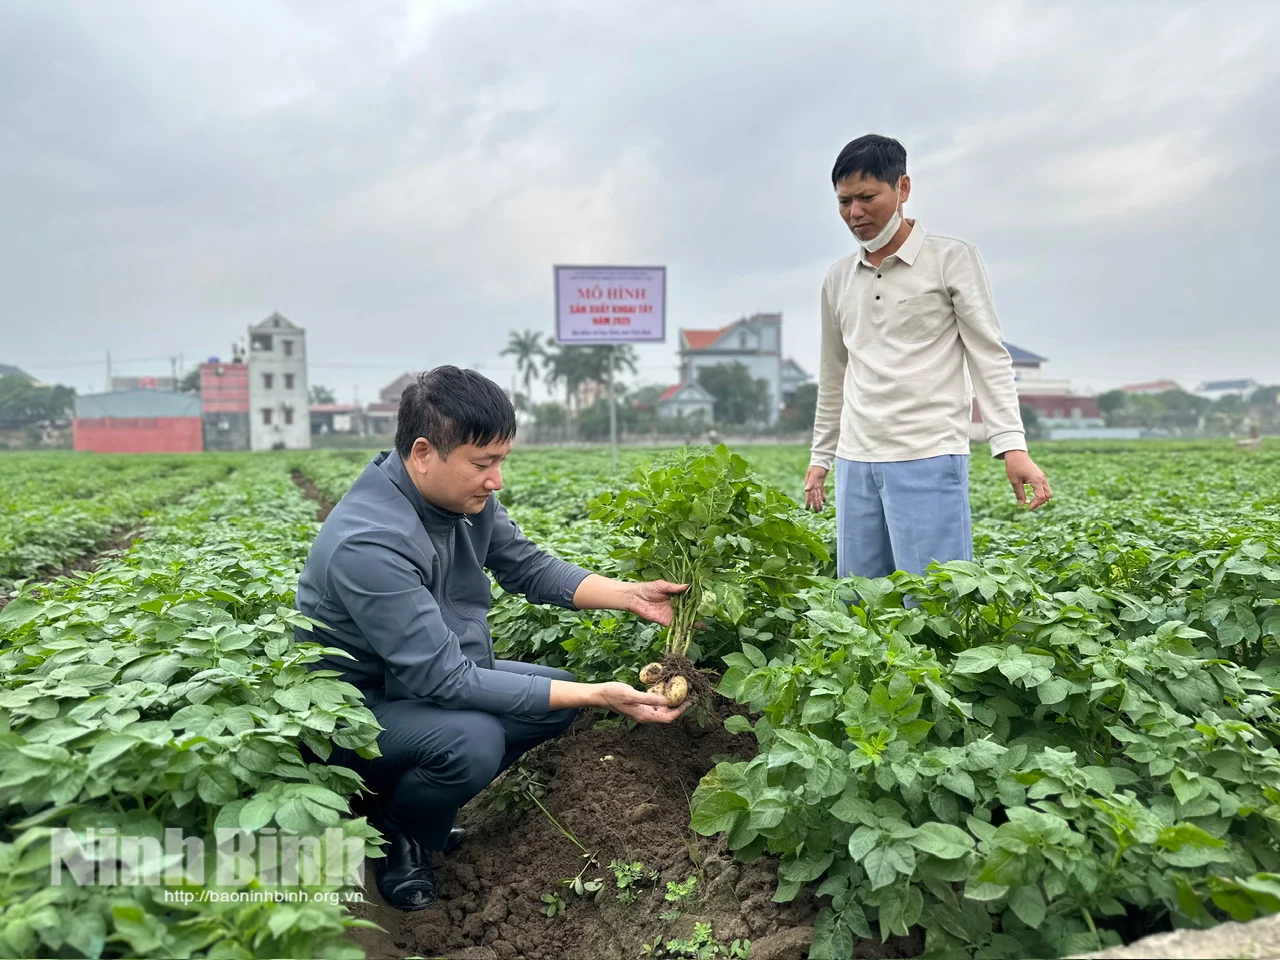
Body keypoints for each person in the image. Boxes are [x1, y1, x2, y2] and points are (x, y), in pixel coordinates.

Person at [294, 366, 690, 911]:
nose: (496, 479)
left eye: (500, 460)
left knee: (553, 701)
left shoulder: (461, 500)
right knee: (473, 741)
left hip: (417, 687)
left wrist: (628, 594)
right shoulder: (370, 542)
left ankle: (418, 809)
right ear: (424, 452)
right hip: (353, 715)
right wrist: (599, 694)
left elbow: (526, 567)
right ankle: (393, 832)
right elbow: (442, 678)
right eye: (483, 464)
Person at [804, 134, 1052, 580]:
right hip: (856, 460)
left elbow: (989, 357)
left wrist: (1011, 446)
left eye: (866, 197)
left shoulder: (950, 259)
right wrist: (822, 457)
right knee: (858, 602)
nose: (854, 213)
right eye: (844, 201)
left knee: (932, 598)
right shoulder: (838, 278)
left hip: (928, 452)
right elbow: (834, 372)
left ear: (902, 189)